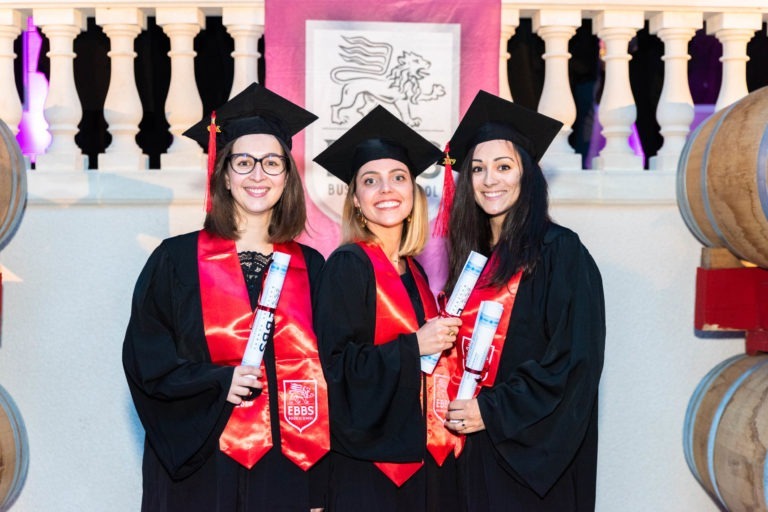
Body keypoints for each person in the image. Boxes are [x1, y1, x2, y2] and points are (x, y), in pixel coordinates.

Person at [122, 83, 330, 511]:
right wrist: (218, 382)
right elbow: (147, 363)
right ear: (224, 174)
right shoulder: (175, 261)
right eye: (244, 162)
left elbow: (333, 373)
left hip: (287, 465)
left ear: (288, 176)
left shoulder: (314, 267)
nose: (258, 174)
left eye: (273, 162)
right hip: (201, 461)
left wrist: (323, 484)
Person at [441, 90, 605, 511]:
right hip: (470, 455)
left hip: (528, 464)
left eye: (503, 166)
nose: (489, 179)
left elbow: (573, 364)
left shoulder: (560, 253)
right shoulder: (471, 261)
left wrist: (492, 412)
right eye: (478, 169)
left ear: (526, 174)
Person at [312, 105, 463, 511]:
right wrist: (415, 346)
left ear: (414, 195)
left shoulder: (411, 271)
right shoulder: (348, 265)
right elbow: (336, 368)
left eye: (398, 178)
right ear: (357, 201)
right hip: (367, 466)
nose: (386, 189)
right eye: (370, 181)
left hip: (419, 458)